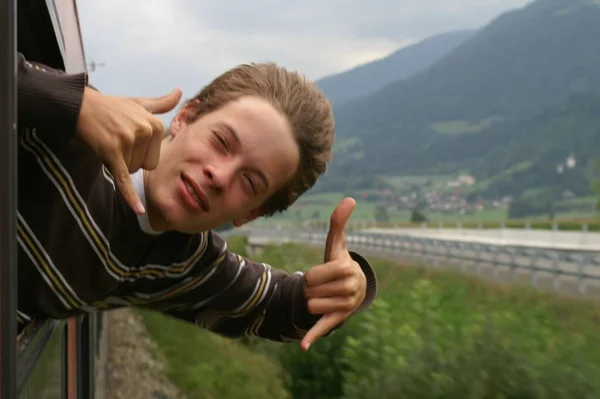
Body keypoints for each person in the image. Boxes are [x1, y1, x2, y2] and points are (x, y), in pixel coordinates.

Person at [16, 52, 377, 351]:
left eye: (249, 182)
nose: (219, 176)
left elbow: (280, 305)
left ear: (251, 213)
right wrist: (70, 102)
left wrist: (348, 287)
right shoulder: (71, 131)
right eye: (221, 142)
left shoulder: (183, 263)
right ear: (185, 117)